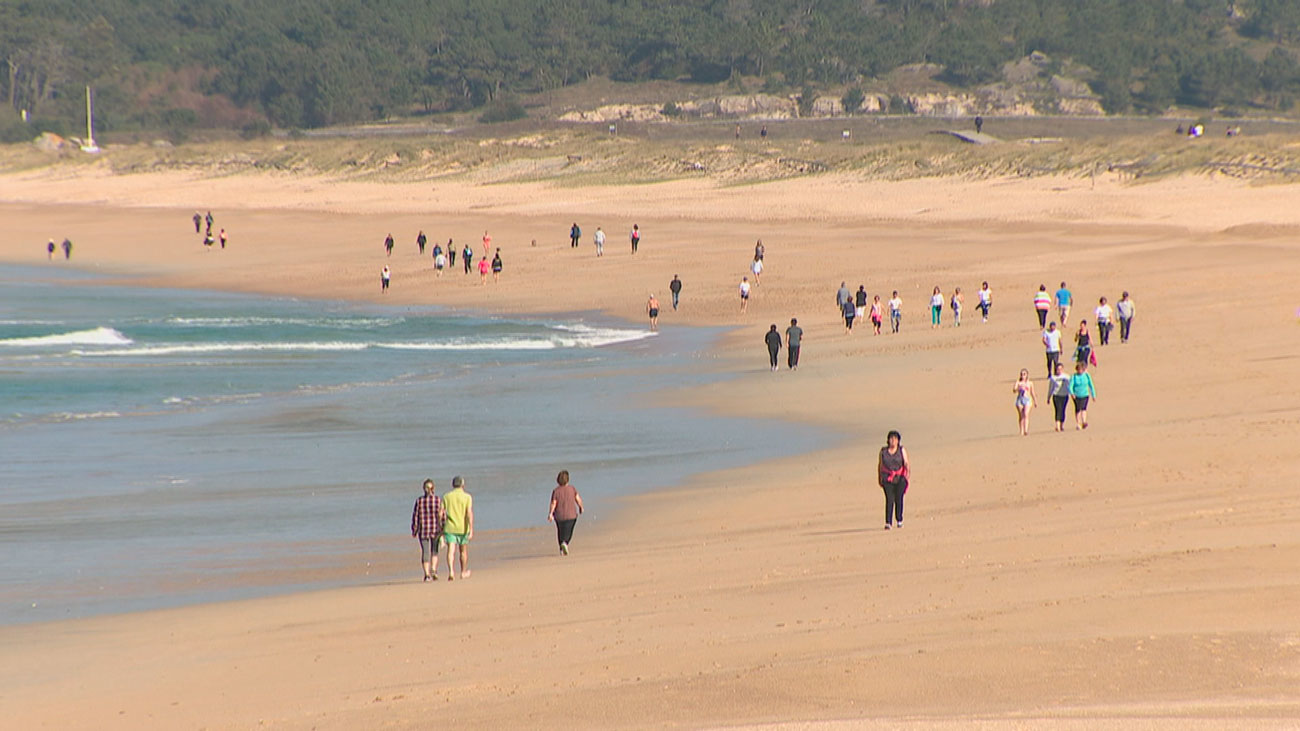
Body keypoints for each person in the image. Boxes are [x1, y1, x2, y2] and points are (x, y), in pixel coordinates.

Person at [441, 476, 474, 579]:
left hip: (450, 527)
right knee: (463, 551)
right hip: (463, 527)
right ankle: (463, 572)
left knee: (451, 550)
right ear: (462, 485)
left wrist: (441, 525)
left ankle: (451, 571)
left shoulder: (446, 496)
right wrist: (471, 528)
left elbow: (441, 513)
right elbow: (469, 513)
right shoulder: (467, 497)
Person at [411, 479, 443, 581]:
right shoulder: (438, 500)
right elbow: (442, 515)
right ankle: (433, 569)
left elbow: (416, 516)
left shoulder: (419, 501)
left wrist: (414, 530)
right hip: (435, 529)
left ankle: (427, 574)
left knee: (425, 552)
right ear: (433, 489)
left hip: (423, 529)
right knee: (434, 550)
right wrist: (443, 528)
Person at [877, 430, 910, 530]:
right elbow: (880, 465)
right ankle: (888, 522)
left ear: (898, 441)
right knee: (889, 499)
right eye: (891, 438)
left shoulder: (901, 450)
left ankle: (899, 520)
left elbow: (906, 463)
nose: (893, 441)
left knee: (899, 498)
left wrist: (907, 475)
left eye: (895, 439)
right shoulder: (883, 451)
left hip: (900, 478)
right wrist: (879, 477)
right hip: (887, 478)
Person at [547, 470, 584, 555]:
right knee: (569, 531)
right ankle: (565, 543)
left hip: (559, 516)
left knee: (560, 531)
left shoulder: (556, 491)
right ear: (568, 479)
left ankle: (561, 547)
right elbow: (578, 499)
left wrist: (550, 514)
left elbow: (554, 503)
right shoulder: (572, 489)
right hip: (571, 515)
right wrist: (581, 507)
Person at [1069, 362, 1097, 429]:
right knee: (1078, 409)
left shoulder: (1087, 376)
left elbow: (1091, 385)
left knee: (1084, 408)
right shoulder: (1074, 377)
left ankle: (1084, 422)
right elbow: (1070, 386)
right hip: (1076, 395)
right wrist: (1072, 393)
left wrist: (1093, 395)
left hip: (1085, 394)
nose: (1080, 371)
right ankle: (1078, 423)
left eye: (1081, 369)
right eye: (1079, 369)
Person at [1013, 368, 1038, 437]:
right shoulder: (1018, 382)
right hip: (1020, 399)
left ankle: (1026, 430)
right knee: (1021, 416)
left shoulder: (1030, 383)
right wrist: (1019, 388)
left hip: (1027, 399)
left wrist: (1035, 401)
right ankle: (1021, 430)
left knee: (1026, 414)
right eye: (1021, 374)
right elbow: (1014, 390)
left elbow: (1032, 392)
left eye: (1024, 374)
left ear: (1027, 375)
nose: (1023, 375)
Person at [1047, 362, 1071, 432]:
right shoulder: (1053, 378)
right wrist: (1048, 397)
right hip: (1056, 395)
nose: (1059, 371)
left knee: (1063, 410)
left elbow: (1070, 386)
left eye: (1060, 369)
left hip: (1064, 395)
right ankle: (1057, 426)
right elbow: (1050, 388)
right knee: (1058, 410)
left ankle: (1061, 425)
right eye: (1058, 369)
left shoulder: (1067, 377)